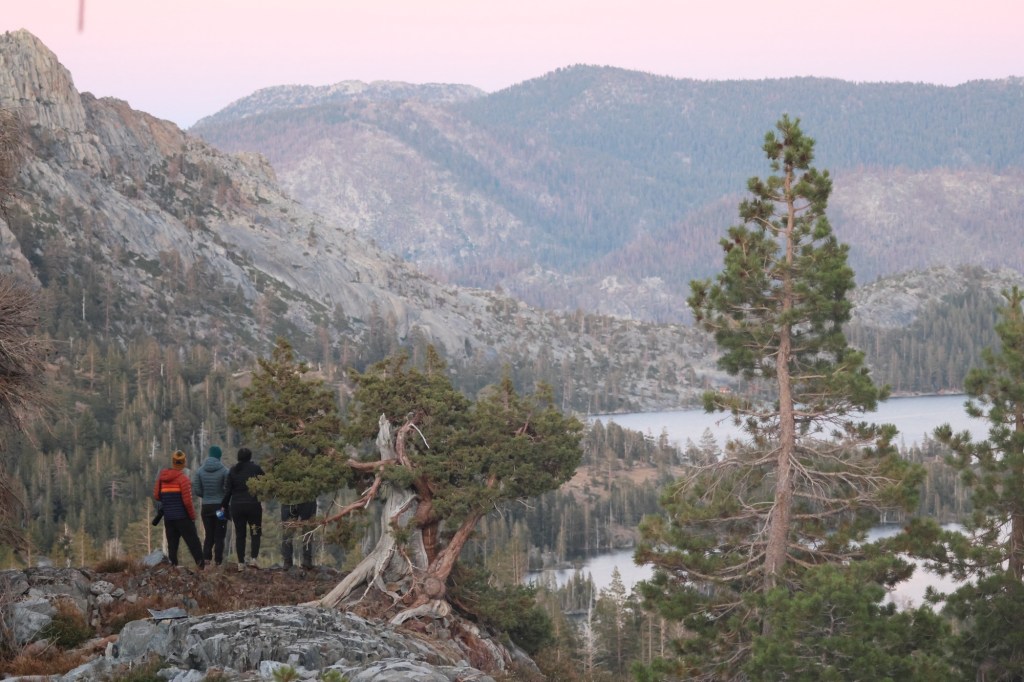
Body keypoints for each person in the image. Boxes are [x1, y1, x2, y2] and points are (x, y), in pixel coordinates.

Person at [153, 450, 204, 569]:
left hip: (169, 517)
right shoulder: (183, 479)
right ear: (184, 463)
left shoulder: (162, 478)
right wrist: (192, 516)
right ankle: (201, 567)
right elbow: (187, 501)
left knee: (172, 545)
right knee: (193, 543)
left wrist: (168, 499)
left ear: (173, 462)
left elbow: (156, 495)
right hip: (183, 517)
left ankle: (172, 569)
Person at [222, 447, 264, 571]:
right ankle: (254, 559)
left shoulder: (233, 470)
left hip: (237, 506)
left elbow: (228, 491)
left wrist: (224, 505)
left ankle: (240, 563)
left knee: (240, 534)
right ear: (250, 457)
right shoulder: (256, 469)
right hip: (253, 505)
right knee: (255, 532)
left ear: (238, 457)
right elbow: (265, 483)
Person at [192, 445, 229, 567]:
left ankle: (206, 559)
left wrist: (206, 496)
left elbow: (197, 490)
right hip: (220, 508)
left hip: (206, 507)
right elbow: (228, 489)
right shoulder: (224, 471)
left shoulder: (200, 471)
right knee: (220, 534)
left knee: (209, 534)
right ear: (219, 456)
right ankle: (218, 561)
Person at [281, 500, 316, 570]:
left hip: (288, 498)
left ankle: (288, 561)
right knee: (307, 527)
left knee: (289, 528)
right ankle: (307, 559)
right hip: (306, 497)